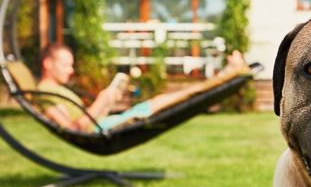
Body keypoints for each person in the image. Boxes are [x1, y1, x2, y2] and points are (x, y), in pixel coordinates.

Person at [37, 42, 249, 132]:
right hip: (104, 129)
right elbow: (75, 130)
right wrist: (102, 101)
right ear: (48, 63)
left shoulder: (55, 90)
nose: (70, 70)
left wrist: (108, 101)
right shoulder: (46, 93)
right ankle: (226, 75)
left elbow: (87, 121)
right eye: (65, 65)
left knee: (172, 98)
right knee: (177, 98)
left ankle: (224, 75)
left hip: (106, 123)